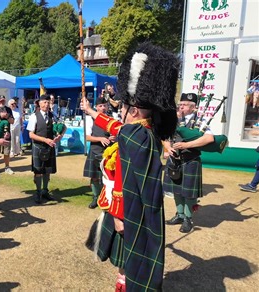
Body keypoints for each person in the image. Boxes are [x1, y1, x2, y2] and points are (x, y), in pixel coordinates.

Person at [82, 42, 179, 291]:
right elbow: (116, 127)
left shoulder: (133, 135)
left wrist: (118, 215)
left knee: (129, 264)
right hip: (137, 211)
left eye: (123, 107)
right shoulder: (145, 130)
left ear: (133, 110)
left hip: (127, 212)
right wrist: (92, 111)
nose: (120, 111)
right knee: (129, 262)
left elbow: (128, 182)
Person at [163, 92, 215, 233]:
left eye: (184, 105)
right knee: (176, 190)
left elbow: (209, 138)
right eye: (180, 104)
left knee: (188, 193)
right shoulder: (174, 119)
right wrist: (167, 147)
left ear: (193, 107)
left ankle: (188, 219)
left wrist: (187, 145)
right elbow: (165, 136)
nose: (181, 107)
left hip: (191, 160)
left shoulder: (200, 121)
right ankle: (179, 215)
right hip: (175, 160)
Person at [27, 94, 65, 203]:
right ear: (39, 103)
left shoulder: (53, 115)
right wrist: (45, 140)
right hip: (38, 146)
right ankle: (38, 192)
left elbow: (63, 127)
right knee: (38, 171)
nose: (46, 104)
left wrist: (59, 136)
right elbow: (31, 135)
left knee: (47, 170)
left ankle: (45, 191)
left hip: (49, 147)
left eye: (48, 102)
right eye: (44, 102)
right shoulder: (34, 116)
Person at [83, 98, 114, 209]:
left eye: (104, 105)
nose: (103, 108)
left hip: (108, 152)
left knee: (108, 177)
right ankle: (96, 197)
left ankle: (107, 198)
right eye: (100, 106)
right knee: (95, 177)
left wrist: (113, 137)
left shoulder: (111, 119)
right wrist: (100, 138)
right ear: (96, 107)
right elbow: (87, 137)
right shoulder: (89, 119)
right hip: (95, 151)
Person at [0, 95, 15, 174]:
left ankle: (7, 167)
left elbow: (12, 121)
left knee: (7, 152)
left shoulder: (8, 109)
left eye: (3, 101)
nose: (2, 102)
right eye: (0, 101)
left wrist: (7, 116)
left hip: (7, 134)